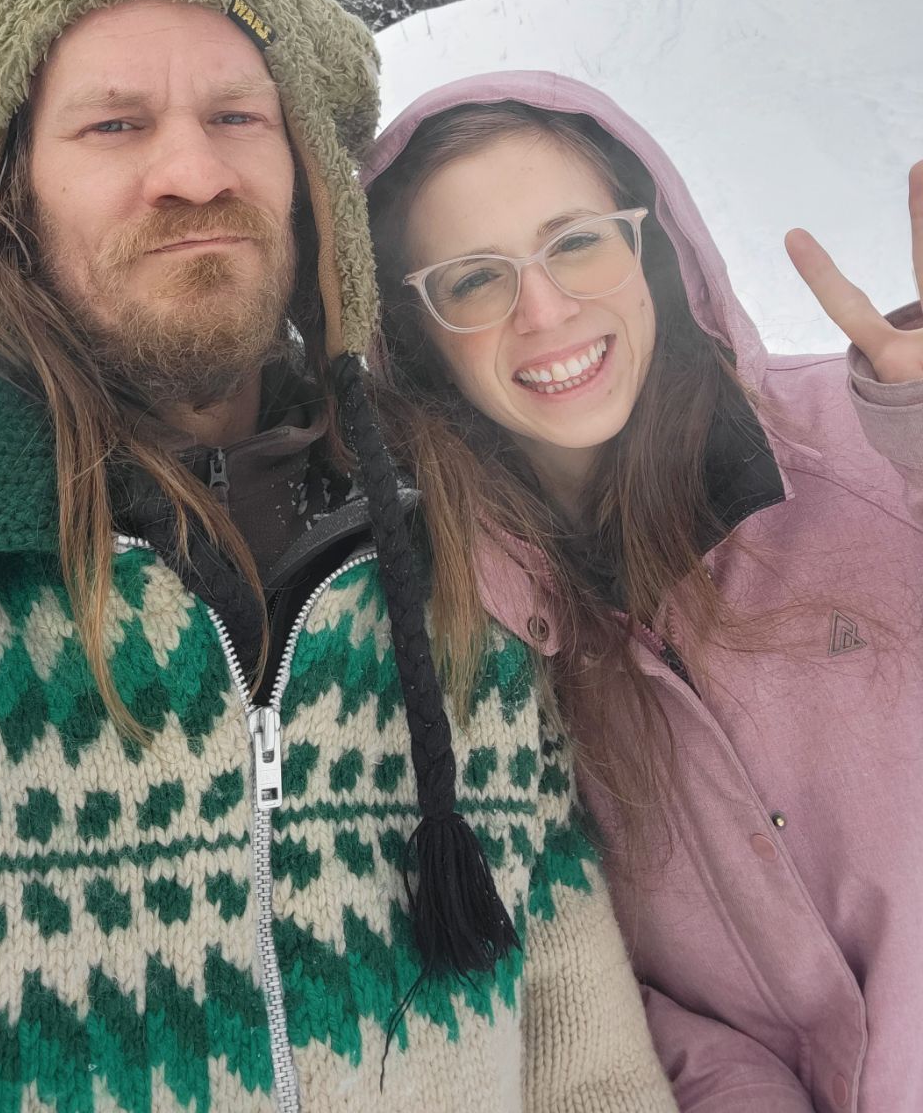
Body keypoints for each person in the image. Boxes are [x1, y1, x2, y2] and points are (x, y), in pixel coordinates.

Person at [0, 0, 675, 1113]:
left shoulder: (454, 553)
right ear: (2, 185)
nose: (192, 170)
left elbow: (585, 1063)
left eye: (239, 114)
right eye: (114, 126)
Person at [362, 69, 923, 1113]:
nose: (546, 309)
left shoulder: (872, 444)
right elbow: (593, 975)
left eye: (578, 241)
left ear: (651, 244)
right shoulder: (461, 633)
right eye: (474, 280)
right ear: (416, 337)